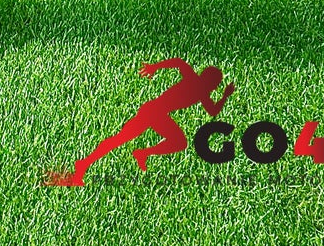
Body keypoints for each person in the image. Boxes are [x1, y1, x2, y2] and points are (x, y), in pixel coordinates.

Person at [45, 59, 235, 186]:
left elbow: (210, 109)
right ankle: (87, 165)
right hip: (155, 112)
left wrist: (155, 67)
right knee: (170, 141)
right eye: (216, 84)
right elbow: (211, 108)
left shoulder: (199, 88)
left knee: (122, 139)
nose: (214, 87)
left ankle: (88, 164)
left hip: (154, 111)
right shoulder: (199, 87)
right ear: (209, 81)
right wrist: (225, 95)